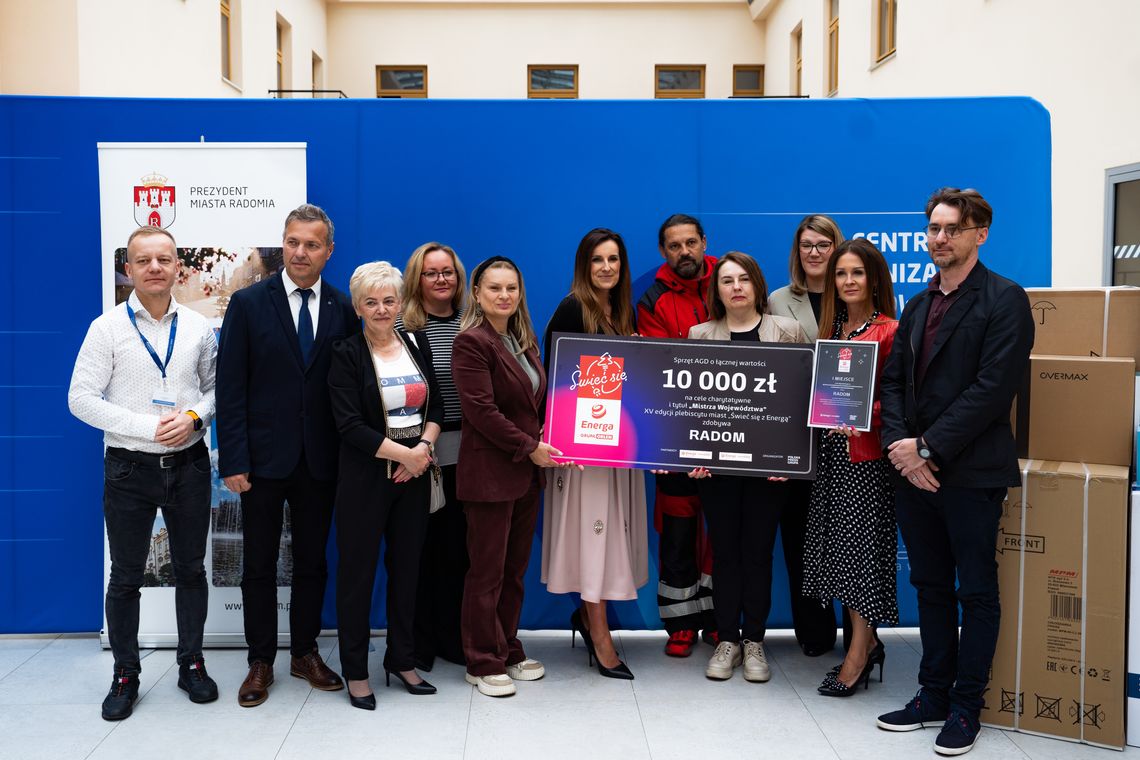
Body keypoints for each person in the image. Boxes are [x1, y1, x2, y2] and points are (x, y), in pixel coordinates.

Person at [876, 188, 1034, 756]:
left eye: (952, 229)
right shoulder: (918, 306)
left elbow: (993, 390)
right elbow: (893, 383)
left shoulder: (1005, 299)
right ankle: (932, 695)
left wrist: (929, 449)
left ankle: (967, 707)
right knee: (930, 587)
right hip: (914, 476)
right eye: (934, 228)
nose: (940, 237)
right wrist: (899, 445)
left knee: (976, 591)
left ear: (980, 234)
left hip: (969, 474)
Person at [68, 226, 219, 720]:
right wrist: (148, 427)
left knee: (191, 570)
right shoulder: (105, 328)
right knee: (127, 576)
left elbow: (218, 390)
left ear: (179, 267)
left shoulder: (198, 327)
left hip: (191, 466)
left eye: (164, 258)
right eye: (143, 260)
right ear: (127, 269)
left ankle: (191, 663)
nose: (155, 267)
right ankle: (126, 673)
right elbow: (80, 399)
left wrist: (195, 417)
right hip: (130, 468)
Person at [216, 203, 357, 707]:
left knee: (313, 563)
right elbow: (230, 387)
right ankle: (260, 661)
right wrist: (231, 458)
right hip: (259, 462)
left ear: (328, 252)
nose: (301, 252)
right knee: (257, 563)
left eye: (312, 244)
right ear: (283, 243)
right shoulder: (249, 303)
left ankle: (304, 653)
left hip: (321, 462)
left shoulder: (343, 308)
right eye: (293, 242)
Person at [687, 252, 807, 682]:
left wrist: (793, 458)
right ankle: (727, 639)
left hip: (770, 471)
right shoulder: (699, 334)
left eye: (743, 279)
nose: (735, 287)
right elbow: (692, 407)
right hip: (717, 471)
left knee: (758, 552)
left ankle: (754, 639)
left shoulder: (788, 331)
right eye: (726, 281)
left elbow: (800, 401)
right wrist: (693, 456)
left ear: (756, 285)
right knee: (725, 553)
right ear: (716, 291)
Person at [329, 261, 443, 710]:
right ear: (358, 306)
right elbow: (349, 425)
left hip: (414, 475)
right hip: (365, 478)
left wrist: (424, 453)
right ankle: (356, 670)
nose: (381, 309)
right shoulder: (345, 353)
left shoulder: (415, 342)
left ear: (400, 303)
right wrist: (405, 456)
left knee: (408, 571)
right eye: (371, 302)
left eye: (389, 300)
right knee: (357, 577)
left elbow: (436, 407)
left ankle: (402, 659)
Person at [453, 256, 565, 698]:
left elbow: (532, 405)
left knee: (514, 572)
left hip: (524, 476)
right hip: (490, 475)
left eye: (512, 289)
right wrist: (530, 447)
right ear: (477, 293)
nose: (504, 296)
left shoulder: (522, 341)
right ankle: (481, 660)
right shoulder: (471, 343)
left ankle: (507, 647)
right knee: (487, 573)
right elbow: (481, 412)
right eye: (495, 288)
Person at [541, 228, 648, 680]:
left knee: (608, 536)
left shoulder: (622, 311)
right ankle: (599, 632)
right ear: (584, 266)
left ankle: (589, 617)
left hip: (618, 450)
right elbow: (556, 379)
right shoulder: (574, 307)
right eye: (598, 260)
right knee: (593, 536)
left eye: (614, 260)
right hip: (584, 453)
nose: (607, 268)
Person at [801, 238, 899, 696]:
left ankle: (858, 655)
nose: (848, 281)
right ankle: (869, 641)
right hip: (833, 462)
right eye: (841, 274)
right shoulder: (835, 332)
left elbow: (903, 404)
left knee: (861, 558)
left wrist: (864, 419)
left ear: (874, 277)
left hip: (866, 463)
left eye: (857, 272)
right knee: (839, 557)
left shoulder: (890, 331)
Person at [636, 213, 717, 657]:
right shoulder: (652, 298)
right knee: (679, 529)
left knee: (724, 529)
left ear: (704, 242)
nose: (684, 252)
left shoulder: (729, 277)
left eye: (691, 243)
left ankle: (722, 620)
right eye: (674, 246)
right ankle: (681, 623)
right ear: (663, 252)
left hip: (730, 426)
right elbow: (658, 366)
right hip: (675, 431)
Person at [767, 214, 846, 657]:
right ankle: (814, 633)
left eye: (823, 244)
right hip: (796, 437)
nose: (814, 252)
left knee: (847, 536)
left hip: (848, 436)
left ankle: (859, 636)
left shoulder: (855, 294)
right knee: (798, 536)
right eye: (806, 245)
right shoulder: (779, 300)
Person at [397, 242, 469, 671]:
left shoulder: (471, 322)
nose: (441, 279)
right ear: (417, 279)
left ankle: (452, 636)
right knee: (418, 553)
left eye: (448, 272)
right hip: (418, 455)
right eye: (431, 273)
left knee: (458, 551)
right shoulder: (403, 325)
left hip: (469, 452)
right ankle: (417, 641)